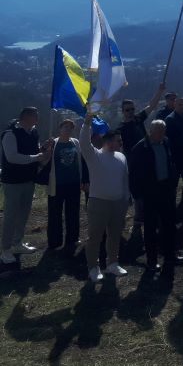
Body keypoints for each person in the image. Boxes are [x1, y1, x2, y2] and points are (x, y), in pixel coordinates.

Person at [78, 115, 129, 281]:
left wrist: (127, 198)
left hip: (118, 202)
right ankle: (93, 267)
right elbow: (84, 142)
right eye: (118, 141)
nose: (121, 144)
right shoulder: (94, 156)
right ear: (107, 141)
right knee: (95, 237)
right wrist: (87, 123)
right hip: (98, 202)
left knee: (115, 235)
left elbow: (124, 180)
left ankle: (112, 264)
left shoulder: (121, 157)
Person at [1, 107, 51, 264]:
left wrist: (43, 149)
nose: (38, 119)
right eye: (36, 117)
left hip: (28, 180)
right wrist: (37, 157)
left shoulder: (33, 132)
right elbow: (12, 157)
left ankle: (18, 243)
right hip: (13, 182)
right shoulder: (10, 134)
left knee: (23, 213)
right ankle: (6, 249)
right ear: (27, 118)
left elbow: (34, 152)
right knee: (10, 215)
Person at [128, 118, 177, 273]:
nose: (161, 134)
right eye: (158, 131)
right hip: (149, 193)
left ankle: (170, 255)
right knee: (150, 227)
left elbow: (170, 163)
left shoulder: (166, 142)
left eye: (163, 131)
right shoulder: (140, 148)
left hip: (166, 190)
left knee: (169, 224)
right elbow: (133, 174)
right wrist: (137, 195)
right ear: (151, 131)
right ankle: (152, 260)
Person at [45, 117, 82, 254]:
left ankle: (72, 239)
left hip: (73, 184)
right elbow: (43, 161)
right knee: (55, 213)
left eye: (70, 127)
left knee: (73, 212)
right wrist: (45, 150)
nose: (67, 129)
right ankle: (54, 242)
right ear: (59, 128)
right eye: (65, 127)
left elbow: (80, 161)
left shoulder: (75, 142)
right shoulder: (52, 143)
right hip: (57, 184)